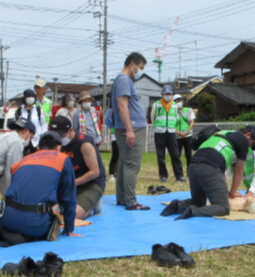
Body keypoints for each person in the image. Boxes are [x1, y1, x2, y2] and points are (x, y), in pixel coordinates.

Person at [160, 126, 255, 220]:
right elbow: (239, 170)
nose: (249, 147)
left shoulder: (221, 133)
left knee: (198, 202)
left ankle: (177, 205)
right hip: (210, 168)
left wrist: (223, 190)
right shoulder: (243, 140)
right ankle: (193, 211)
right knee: (223, 208)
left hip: (193, 165)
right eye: (251, 144)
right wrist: (232, 193)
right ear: (248, 135)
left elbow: (222, 172)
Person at [0, 131, 78, 240]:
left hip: (7, 221)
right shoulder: (62, 159)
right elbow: (68, 196)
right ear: (59, 148)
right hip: (36, 225)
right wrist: (69, 229)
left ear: (38, 147)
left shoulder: (23, 160)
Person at [111, 52, 150, 210]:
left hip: (131, 126)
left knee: (125, 164)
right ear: (132, 64)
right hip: (132, 127)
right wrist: (129, 130)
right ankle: (131, 201)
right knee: (132, 165)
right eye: (139, 68)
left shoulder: (123, 81)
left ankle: (122, 198)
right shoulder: (124, 80)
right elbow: (122, 106)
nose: (139, 71)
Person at [50, 116, 106, 219]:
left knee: (73, 216)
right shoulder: (55, 143)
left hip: (91, 183)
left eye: (62, 135)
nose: (59, 138)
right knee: (53, 212)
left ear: (70, 130)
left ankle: (94, 203)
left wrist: (71, 183)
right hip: (68, 184)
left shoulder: (84, 143)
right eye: (56, 135)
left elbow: (94, 172)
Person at [150, 86, 186, 183]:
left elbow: (175, 117)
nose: (168, 96)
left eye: (169, 94)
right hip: (160, 132)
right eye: (166, 94)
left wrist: (172, 128)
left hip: (171, 132)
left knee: (175, 154)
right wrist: (158, 127)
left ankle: (179, 175)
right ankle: (163, 175)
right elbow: (152, 117)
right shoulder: (156, 104)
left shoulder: (175, 105)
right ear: (162, 94)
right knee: (161, 155)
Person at [15, 89, 48, 155]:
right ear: (24, 99)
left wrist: (41, 137)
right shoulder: (19, 111)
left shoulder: (38, 110)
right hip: (23, 140)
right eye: (28, 97)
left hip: (36, 141)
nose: (30, 98)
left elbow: (44, 125)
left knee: (37, 159)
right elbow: (16, 126)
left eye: (32, 97)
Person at [173, 94, 195, 176]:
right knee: (177, 155)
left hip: (188, 136)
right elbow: (172, 124)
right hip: (177, 136)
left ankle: (189, 172)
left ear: (182, 101)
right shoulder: (173, 112)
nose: (178, 102)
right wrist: (178, 132)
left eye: (179, 100)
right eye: (176, 101)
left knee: (188, 155)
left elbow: (192, 122)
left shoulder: (189, 110)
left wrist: (187, 132)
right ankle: (179, 173)